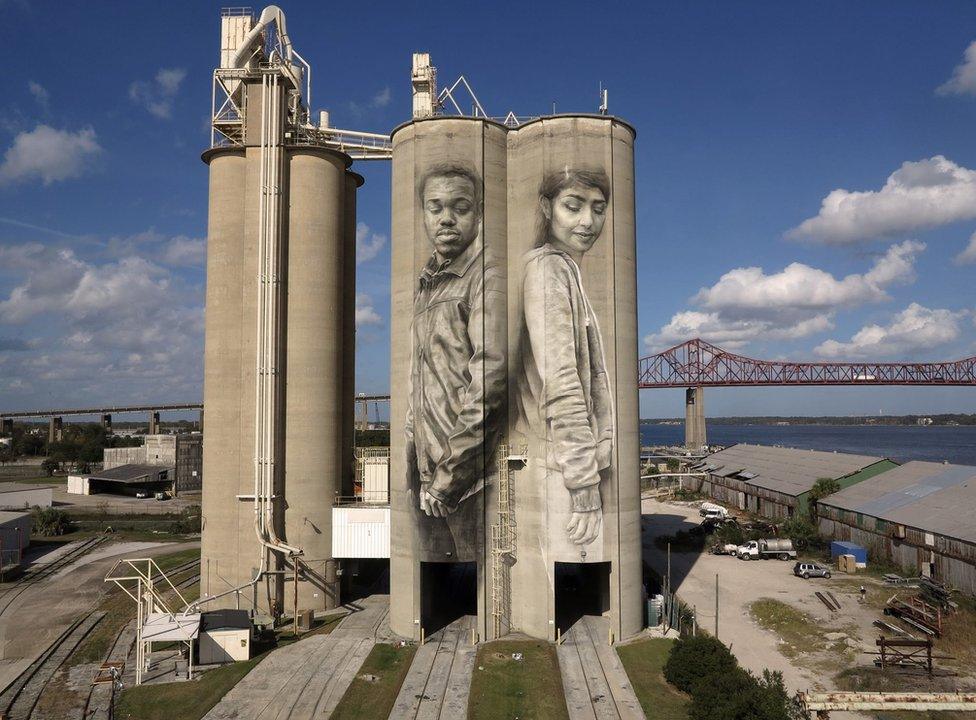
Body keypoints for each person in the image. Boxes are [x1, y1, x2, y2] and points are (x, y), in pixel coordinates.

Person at [404, 162, 505, 561]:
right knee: (437, 583)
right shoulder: (427, 285)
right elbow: (419, 378)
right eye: (435, 207)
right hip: (428, 480)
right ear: (424, 214)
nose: (446, 218)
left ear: (478, 213)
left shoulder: (487, 276)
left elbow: (491, 379)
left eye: (459, 207)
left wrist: (449, 479)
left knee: (487, 589)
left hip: (469, 485)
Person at [517, 167, 614, 548]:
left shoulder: (563, 269)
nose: (588, 221)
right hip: (560, 473)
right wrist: (584, 483)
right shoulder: (548, 270)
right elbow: (561, 379)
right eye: (573, 207)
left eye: (599, 208)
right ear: (546, 207)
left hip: (560, 465)